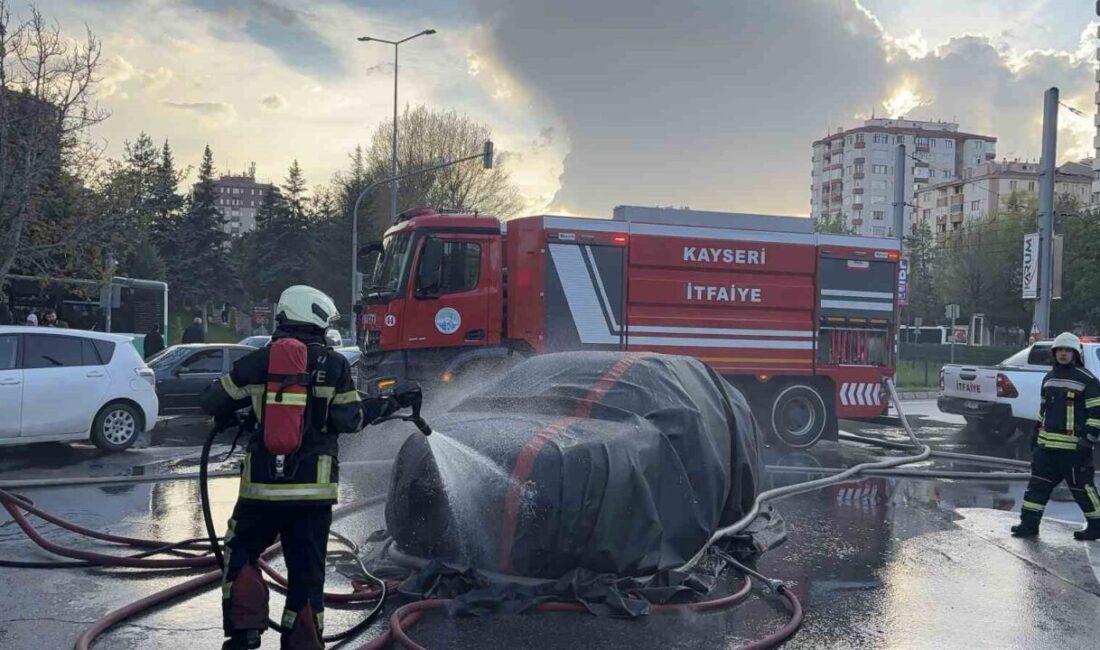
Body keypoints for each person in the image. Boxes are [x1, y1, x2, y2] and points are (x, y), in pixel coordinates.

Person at [200, 285, 405, 649]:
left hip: (260, 491)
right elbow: (351, 418)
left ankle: (245, 635)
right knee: (307, 573)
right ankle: (303, 643)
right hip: (313, 496)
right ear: (314, 319)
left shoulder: (258, 361)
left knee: (242, 553)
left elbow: (213, 401)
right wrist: (387, 405)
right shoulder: (335, 365)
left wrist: (247, 411)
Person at [1012, 332, 1100, 541]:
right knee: (1037, 486)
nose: (1063, 354)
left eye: (1067, 350)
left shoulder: (1087, 380)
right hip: (1047, 447)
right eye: (1059, 350)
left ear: (1075, 354)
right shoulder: (1049, 378)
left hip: (1074, 449)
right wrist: (1035, 433)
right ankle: (1029, 524)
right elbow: (1044, 410)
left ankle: (1097, 526)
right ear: (1054, 353)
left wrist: (1088, 440)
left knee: (1082, 489)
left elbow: (1096, 414)